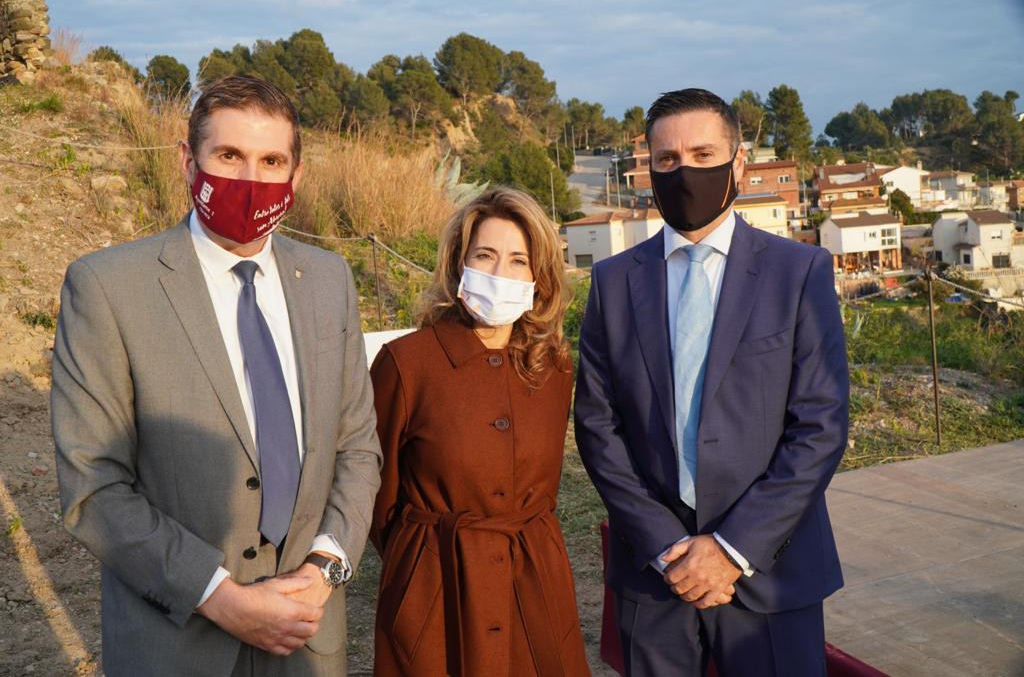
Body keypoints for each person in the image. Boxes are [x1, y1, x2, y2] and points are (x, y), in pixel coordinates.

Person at [51, 75, 382, 676]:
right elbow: (93, 486)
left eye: (271, 161)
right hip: (177, 645)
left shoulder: (330, 279)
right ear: (188, 161)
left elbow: (357, 446)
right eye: (229, 155)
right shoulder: (107, 287)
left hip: (307, 637)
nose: (250, 179)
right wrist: (222, 599)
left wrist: (325, 568)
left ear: (295, 176)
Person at [574, 88, 849, 676]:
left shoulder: (799, 272)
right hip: (655, 574)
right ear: (648, 170)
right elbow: (598, 425)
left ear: (739, 162)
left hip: (770, 571)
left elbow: (820, 425)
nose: (685, 172)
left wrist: (731, 550)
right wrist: (665, 546)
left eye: (703, 156)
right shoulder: (613, 282)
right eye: (667, 160)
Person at [369, 187, 591, 676]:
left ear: (538, 278)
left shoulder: (553, 367)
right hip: (436, 589)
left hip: (533, 585)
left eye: (518, 261)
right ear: (459, 264)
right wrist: (422, 557)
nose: (500, 273)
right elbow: (377, 498)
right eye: (485, 256)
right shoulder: (406, 364)